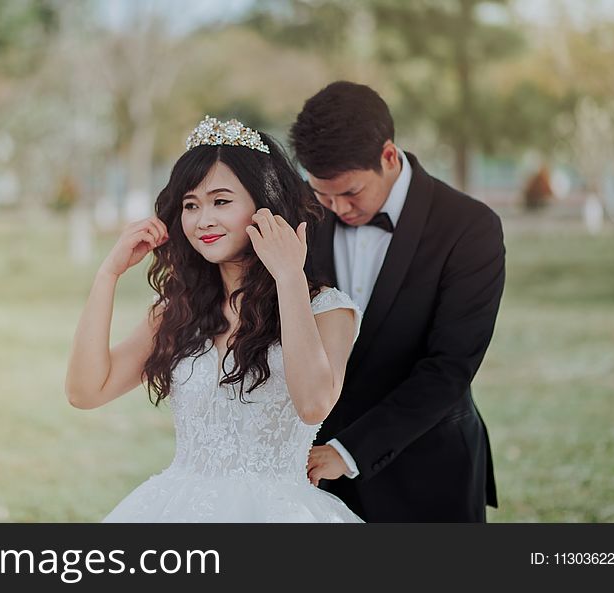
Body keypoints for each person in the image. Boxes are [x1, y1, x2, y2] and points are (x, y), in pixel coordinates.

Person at [65, 116, 363, 522]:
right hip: (176, 507)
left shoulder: (327, 309)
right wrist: (108, 275)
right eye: (191, 205)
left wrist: (289, 276)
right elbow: (86, 391)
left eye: (221, 201)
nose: (203, 219)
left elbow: (314, 405)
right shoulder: (179, 313)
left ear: (264, 204)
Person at [292, 82, 505, 522]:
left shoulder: (470, 227)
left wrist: (348, 451)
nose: (335, 208)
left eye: (350, 193)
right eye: (322, 194)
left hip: (428, 468)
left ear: (389, 156)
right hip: (313, 477)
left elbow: (449, 367)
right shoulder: (302, 214)